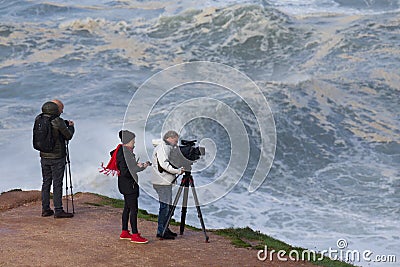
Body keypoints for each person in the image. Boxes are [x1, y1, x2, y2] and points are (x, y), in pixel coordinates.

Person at [101, 130, 150, 244]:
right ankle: (135, 235)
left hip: (123, 184)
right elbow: (126, 171)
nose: (134, 143)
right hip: (129, 186)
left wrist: (138, 166)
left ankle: (124, 232)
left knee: (127, 208)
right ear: (128, 142)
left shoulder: (121, 151)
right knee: (133, 209)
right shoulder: (126, 153)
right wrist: (140, 167)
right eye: (133, 141)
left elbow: (127, 168)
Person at [39, 99, 75, 218]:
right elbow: (68, 136)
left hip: (44, 156)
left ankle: (45, 209)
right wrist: (71, 127)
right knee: (57, 183)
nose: (62, 111)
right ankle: (58, 210)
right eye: (61, 109)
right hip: (57, 157)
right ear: (55, 109)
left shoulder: (39, 119)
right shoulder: (57, 121)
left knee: (46, 182)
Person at [152, 130, 184, 240]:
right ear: (169, 138)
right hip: (162, 182)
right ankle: (161, 231)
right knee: (165, 207)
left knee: (168, 207)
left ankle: (165, 228)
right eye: (175, 141)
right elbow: (164, 164)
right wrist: (178, 171)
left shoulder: (166, 147)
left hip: (164, 182)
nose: (176, 143)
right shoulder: (163, 147)